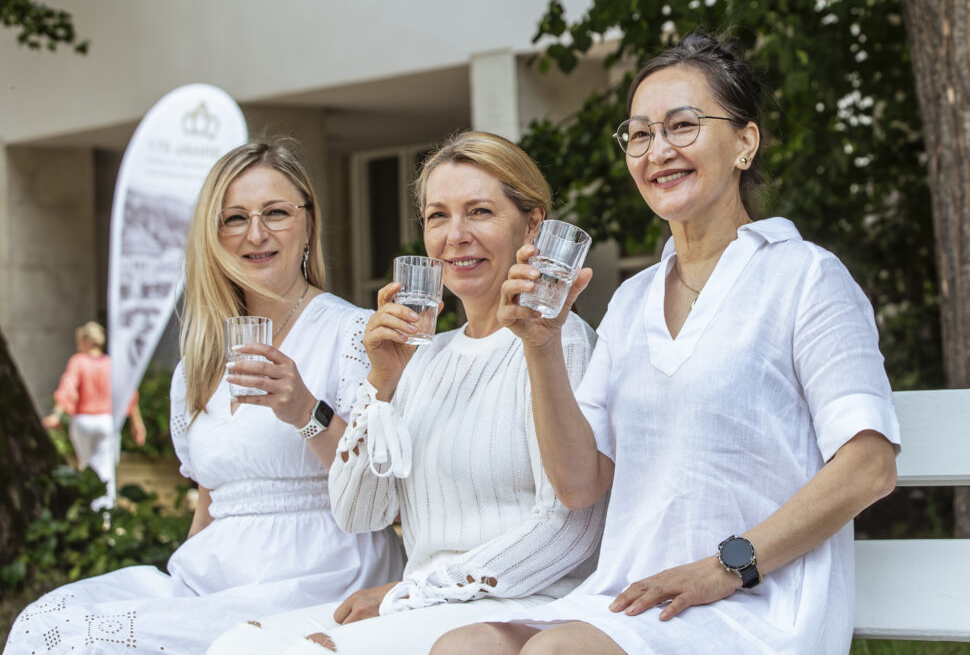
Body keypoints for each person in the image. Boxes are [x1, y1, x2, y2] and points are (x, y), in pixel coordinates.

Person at [433, 33, 901, 655]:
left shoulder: (804, 276)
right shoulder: (631, 301)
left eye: (683, 126)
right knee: (467, 646)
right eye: (640, 134)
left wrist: (725, 566)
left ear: (744, 142)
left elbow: (870, 467)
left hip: (757, 603)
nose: (658, 151)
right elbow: (579, 484)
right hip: (633, 601)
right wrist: (541, 346)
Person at [207, 131, 606, 655]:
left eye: (480, 212)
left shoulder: (563, 344)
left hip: (521, 607)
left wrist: (413, 595)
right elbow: (360, 513)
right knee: (239, 644)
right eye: (438, 216)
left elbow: (571, 530)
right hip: (427, 604)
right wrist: (383, 385)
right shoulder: (426, 355)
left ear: (532, 223)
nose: (455, 235)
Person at [6, 139, 404, 655]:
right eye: (234, 218)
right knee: (47, 624)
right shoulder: (201, 357)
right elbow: (211, 501)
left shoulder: (353, 336)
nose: (255, 233)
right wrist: (180, 587)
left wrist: (306, 412)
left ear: (308, 222)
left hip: (319, 572)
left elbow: (381, 497)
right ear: (212, 236)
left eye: (276, 213)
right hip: (216, 575)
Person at [42, 320, 147, 509]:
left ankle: (90, 513)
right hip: (107, 422)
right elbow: (129, 394)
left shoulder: (78, 361)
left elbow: (68, 388)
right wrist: (136, 423)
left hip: (83, 421)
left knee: (87, 468)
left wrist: (56, 415)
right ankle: (105, 515)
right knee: (107, 471)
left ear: (86, 341)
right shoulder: (111, 363)